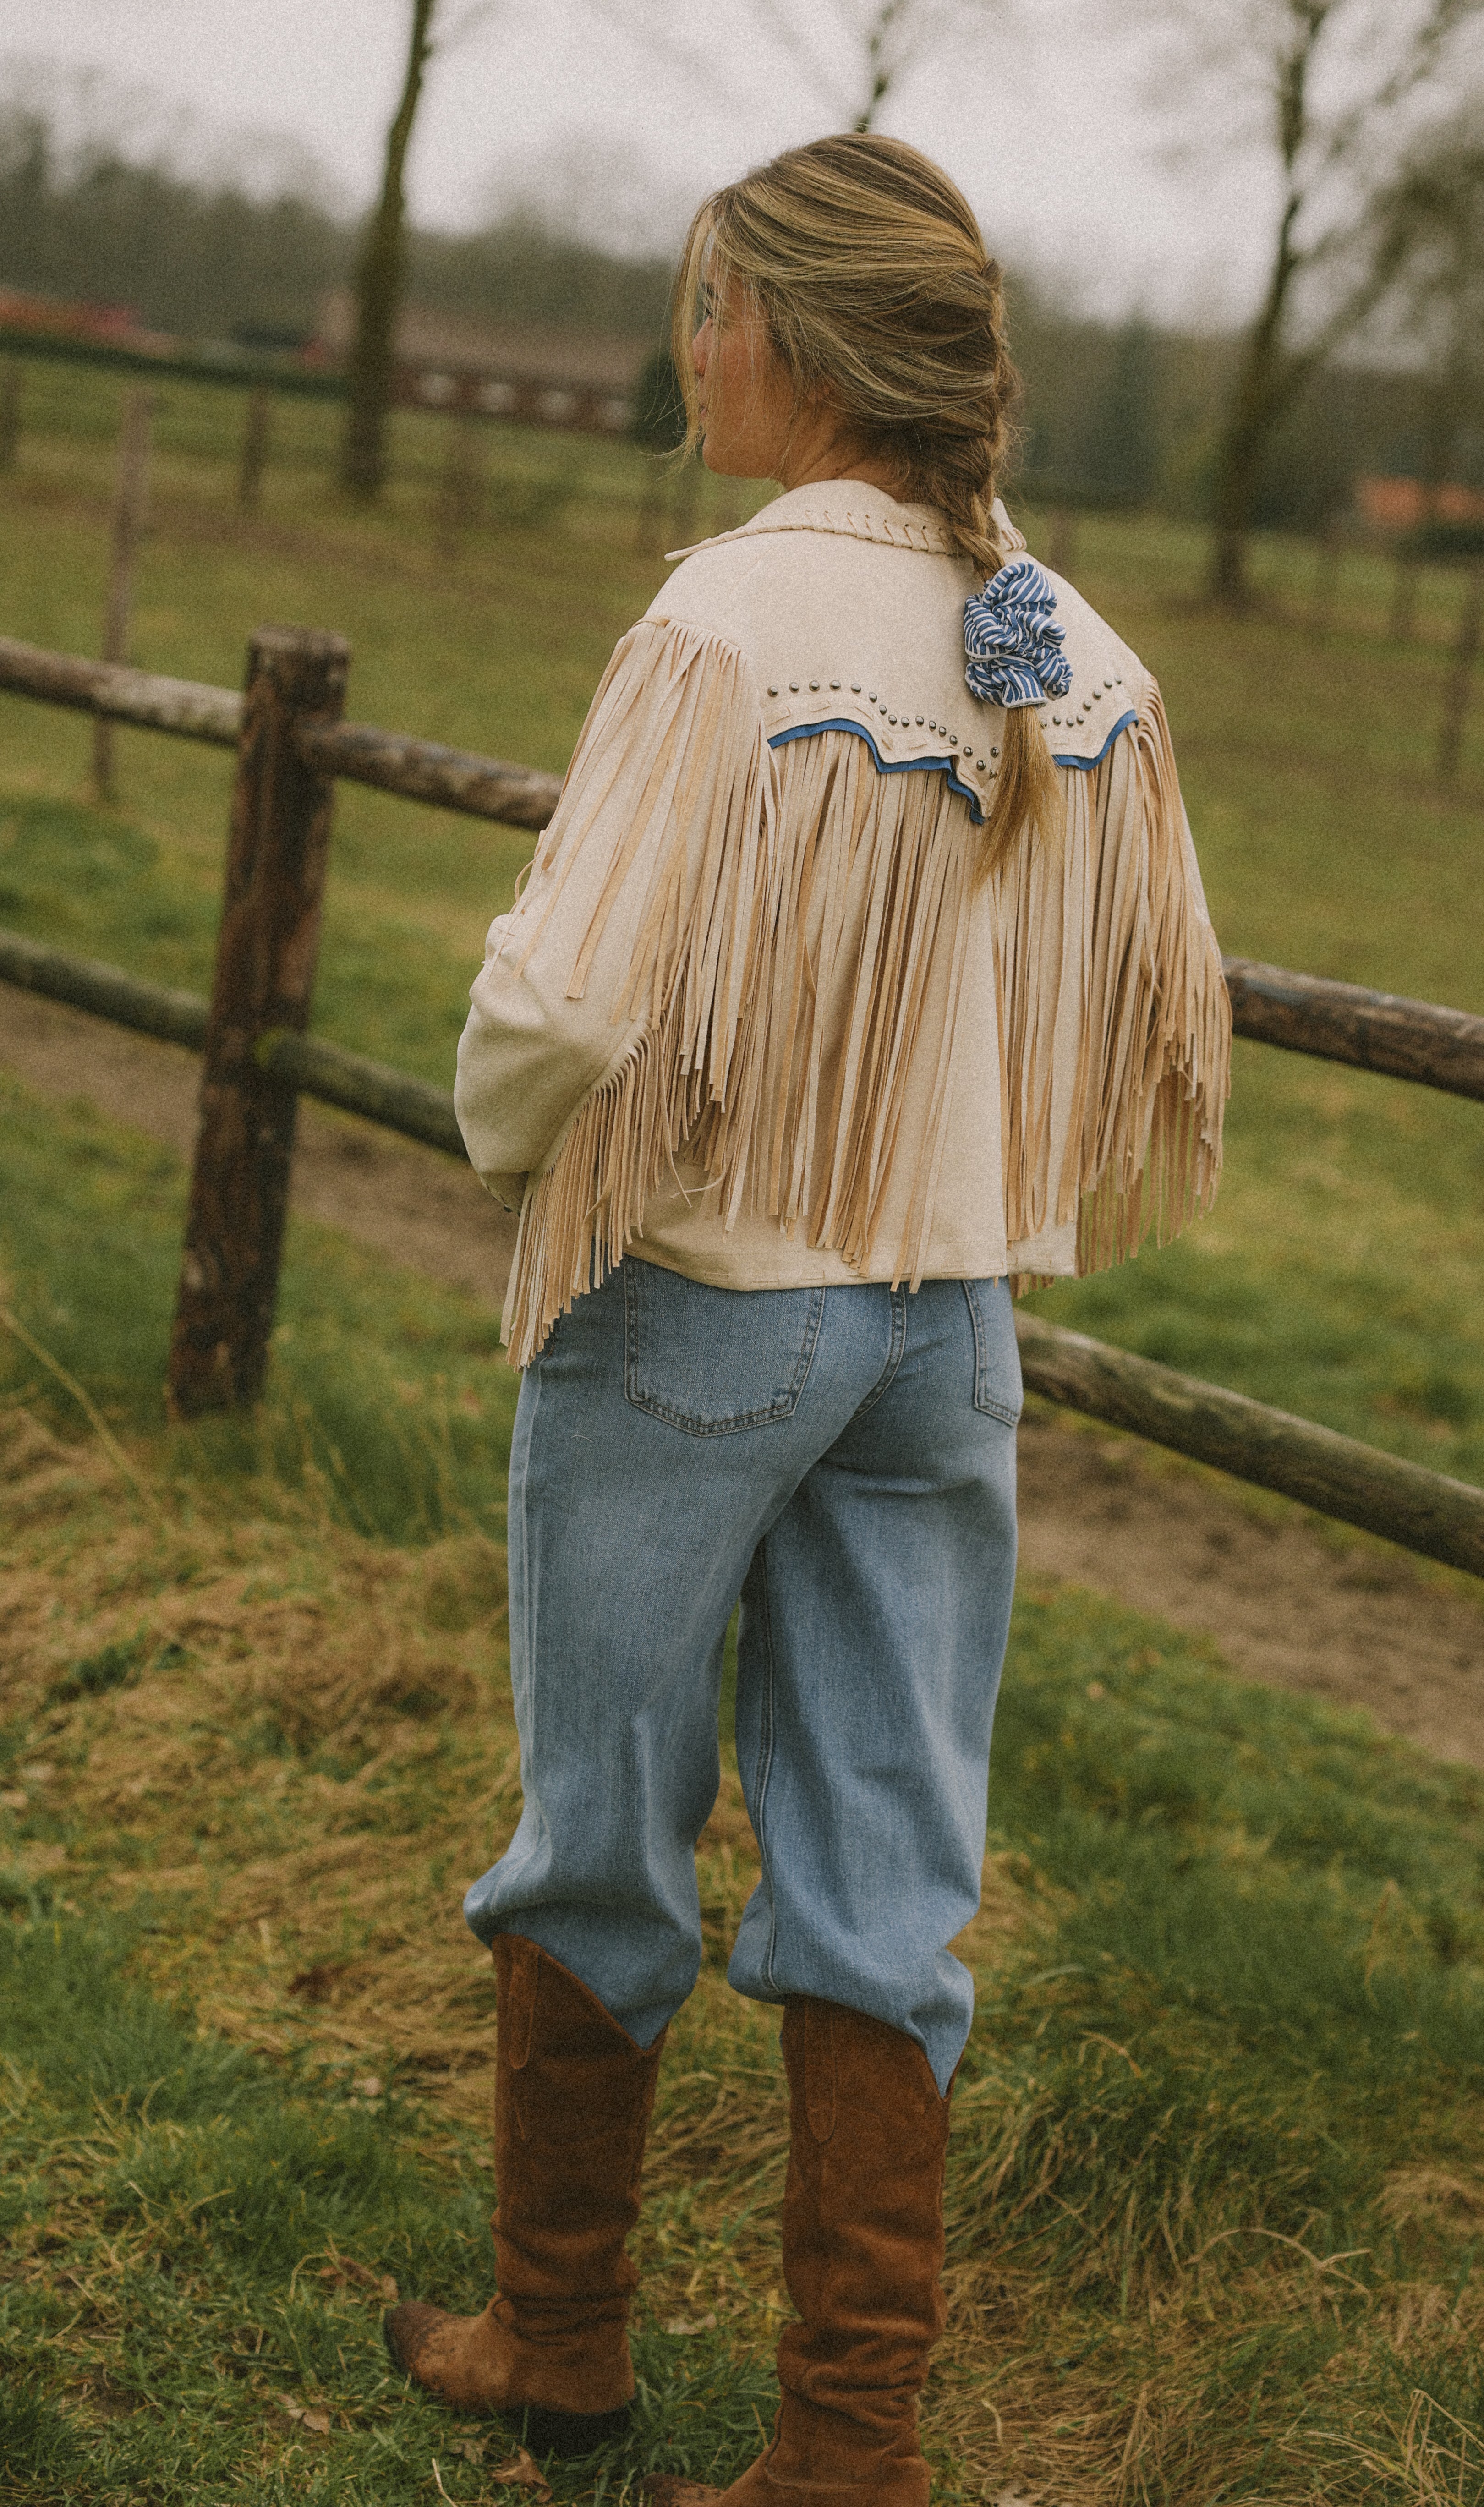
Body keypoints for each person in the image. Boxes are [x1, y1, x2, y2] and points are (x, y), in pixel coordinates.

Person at [384, 134, 1229, 2507]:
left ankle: (558, 2337)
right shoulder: (1080, 652)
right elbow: (1149, 990)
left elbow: (559, 1001)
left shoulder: (726, 627)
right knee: (889, 1870)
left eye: (709, 307)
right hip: (948, 1327)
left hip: (701, 1310)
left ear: (805, 346)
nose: (690, 350)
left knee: (600, 1832)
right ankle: (846, 2453)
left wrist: (505, 1139)